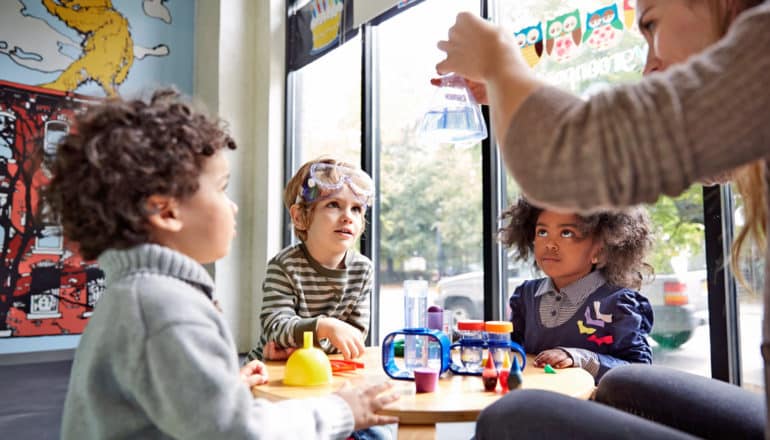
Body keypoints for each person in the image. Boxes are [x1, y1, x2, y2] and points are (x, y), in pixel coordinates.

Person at [436, 0, 769, 438]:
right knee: (624, 384)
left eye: (651, 25)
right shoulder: (529, 297)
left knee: (513, 417)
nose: (650, 68)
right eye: (543, 231)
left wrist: (497, 58)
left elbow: (567, 160)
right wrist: (504, 90)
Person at [46, 89, 398, 439]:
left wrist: (226, 387)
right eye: (221, 188)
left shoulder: (142, 295)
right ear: (167, 211)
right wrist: (341, 411)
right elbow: (238, 432)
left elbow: (188, 409)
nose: (233, 207)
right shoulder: (163, 308)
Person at [500, 197, 653, 382]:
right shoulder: (526, 296)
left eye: (566, 233)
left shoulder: (619, 304)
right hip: (537, 404)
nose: (549, 244)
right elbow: (512, 350)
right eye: (542, 232)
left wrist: (581, 358)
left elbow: (639, 372)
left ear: (600, 251)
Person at [246, 157, 374, 363]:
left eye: (356, 208)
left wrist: (304, 346)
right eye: (334, 204)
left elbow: (355, 336)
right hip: (273, 368)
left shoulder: (363, 269)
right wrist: (325, 327)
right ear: (300, 217)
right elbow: (275, 327)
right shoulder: (284, 266)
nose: (348, 216)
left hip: (321, 367)